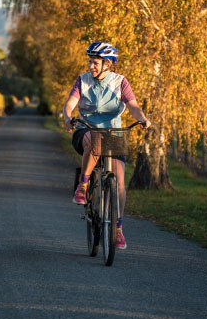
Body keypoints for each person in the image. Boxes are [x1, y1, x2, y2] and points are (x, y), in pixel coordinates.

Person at [62, 41, 151, 250]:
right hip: (86, 129)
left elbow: (133, 107)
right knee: (95, 139)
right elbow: (70, 104)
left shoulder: (120, 82)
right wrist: (67, 117)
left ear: (108, 64)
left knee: (119, 182)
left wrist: (143, 119)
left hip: (112, 132)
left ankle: (118, 228)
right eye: (90, 61)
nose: (91, 66)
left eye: (96, 62)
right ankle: (83, 185)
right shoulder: (82, 81)